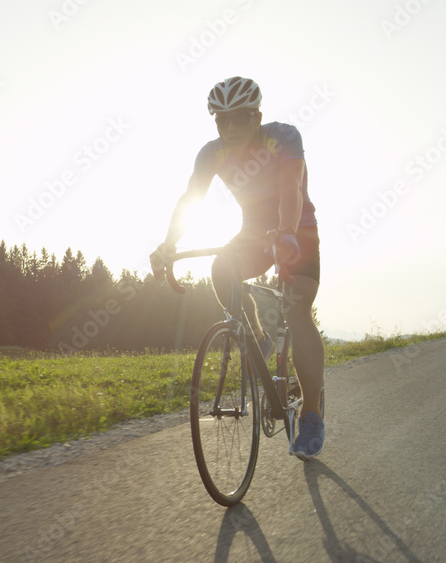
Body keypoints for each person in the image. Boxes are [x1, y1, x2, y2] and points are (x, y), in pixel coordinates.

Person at [151, 76, 325, 459]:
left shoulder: (282, 139)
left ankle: (312, 413)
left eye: (240, 119)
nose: (230, 128)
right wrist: (168, 245)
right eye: (221, 120)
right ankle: (259, 340)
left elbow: (291, 188)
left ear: (257, 117)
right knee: (221, 269)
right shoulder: (211, 153)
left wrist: (288, 234)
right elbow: (189, 199)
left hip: (298, 230)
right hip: (252, 233)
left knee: (297, 309)